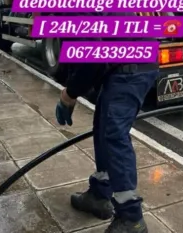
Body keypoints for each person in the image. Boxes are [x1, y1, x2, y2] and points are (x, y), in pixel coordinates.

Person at [55, 57, 159, 233]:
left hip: (127, 70)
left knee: (115, 137)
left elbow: (90, 59)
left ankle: (131, 217)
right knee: (103, 128)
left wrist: (69, 94)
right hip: (124, 65)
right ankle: (99, 194)